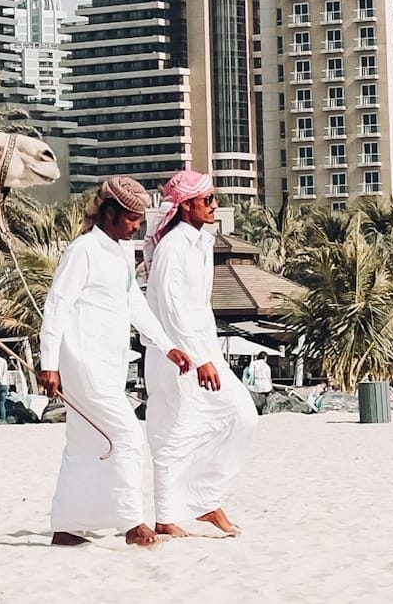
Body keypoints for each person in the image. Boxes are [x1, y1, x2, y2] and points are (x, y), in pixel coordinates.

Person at [38, 175, 192, 548]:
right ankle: (133, 524)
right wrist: (48, 362)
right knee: (126, 436)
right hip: (82, 363)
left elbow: (133, 304)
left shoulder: (121, 253)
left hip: (110, 363)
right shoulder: (83, 250)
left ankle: (67, 526)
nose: (136, 226)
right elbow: (56, 305)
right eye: (130, 219)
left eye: (139, 220)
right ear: (108, 213)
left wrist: (166, 345)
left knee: (82, 443)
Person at [144, 169, 257, 539]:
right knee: (172, 432)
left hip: (204, 351)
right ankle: (165, 517)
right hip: (175, 356)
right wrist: (198, 358)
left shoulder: (200, 243)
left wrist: (207, 354)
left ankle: (205, 500)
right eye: (207, 199)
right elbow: (172, 310)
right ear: (186, 205)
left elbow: (196, 308)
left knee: (241, 416)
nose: (214, 205)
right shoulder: (173, 247)